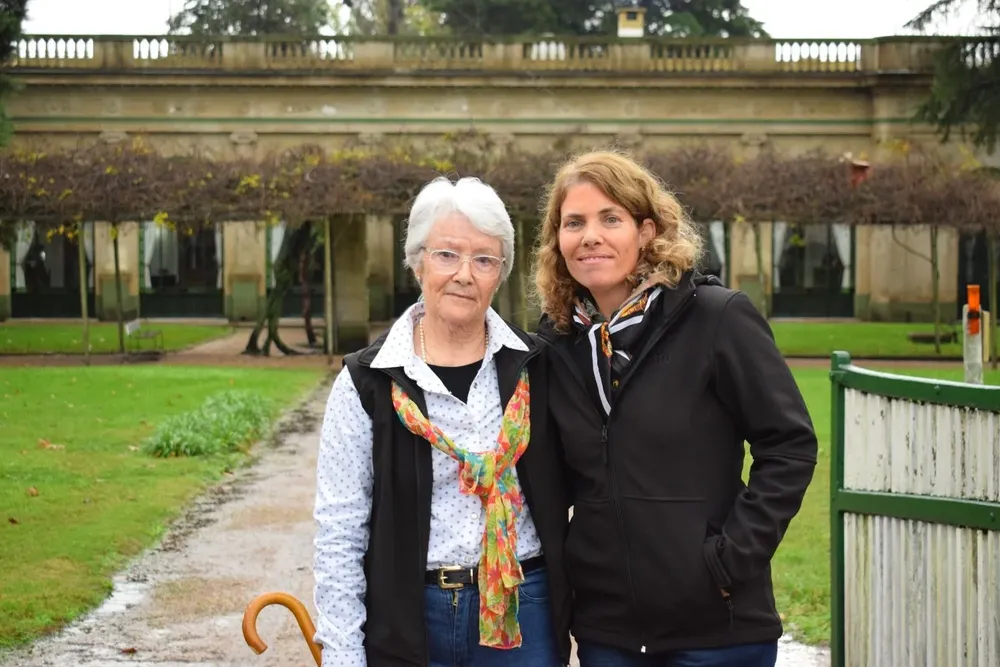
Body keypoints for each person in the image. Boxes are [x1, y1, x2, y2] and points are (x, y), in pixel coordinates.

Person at [533, 150, 818, 667]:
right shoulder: (555, 345)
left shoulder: (718, 319)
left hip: (717, 630)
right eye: (573, 222)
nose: (589, 236)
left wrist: (729, 561)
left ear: (646, 231)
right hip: (607, 633)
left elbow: (790, 445)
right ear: (558, 240)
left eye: (610, 218)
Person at [313, 176, 571, 667]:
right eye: (447, 254)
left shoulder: (538, 368)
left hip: (523, 607)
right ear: (417, 262)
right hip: (410, 614)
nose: (464, 274)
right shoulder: (367, 383)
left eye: (483, 259)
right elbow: (340, 532)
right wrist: (344, 651)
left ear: (500, 272)